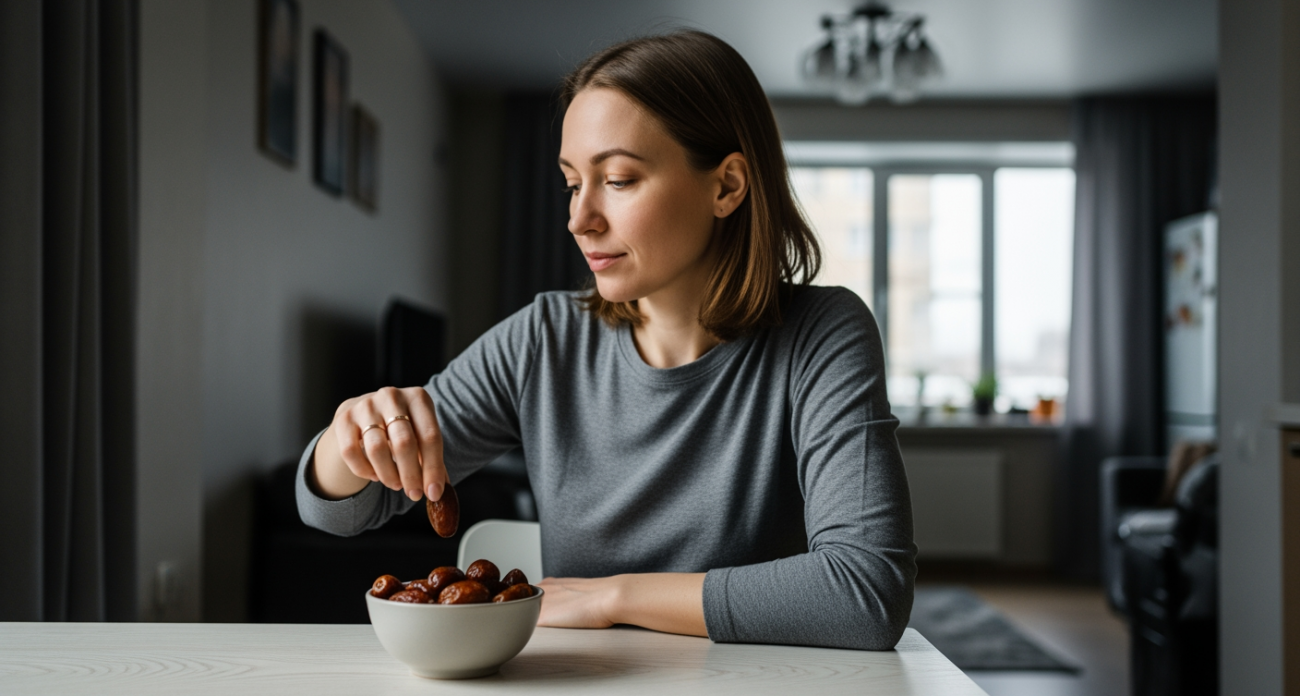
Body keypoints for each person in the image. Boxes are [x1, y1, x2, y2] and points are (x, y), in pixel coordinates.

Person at [297, 30, 916, 651]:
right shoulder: (543, 339)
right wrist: (346, 442)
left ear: (726, 186)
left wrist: (609, 596)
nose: (578, 218)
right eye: (572, 183)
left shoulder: (823, 333)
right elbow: (335, 509)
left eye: (617, 180)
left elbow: (865, 592)